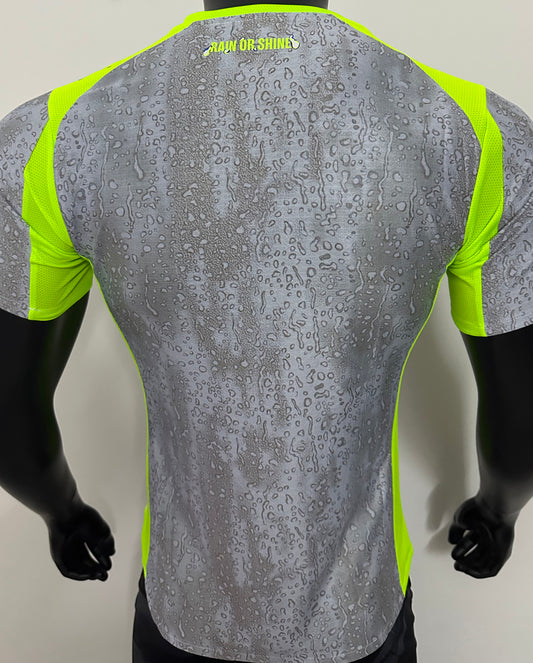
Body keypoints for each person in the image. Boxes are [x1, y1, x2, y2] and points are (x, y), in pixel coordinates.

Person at [0, 0, 532, 661]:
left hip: (183, 611)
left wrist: (59, 510)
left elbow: (8, 414)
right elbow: (523, 419)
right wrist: (499, 509)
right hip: (358, 615)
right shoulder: (477, 133)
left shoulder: (52, 136)